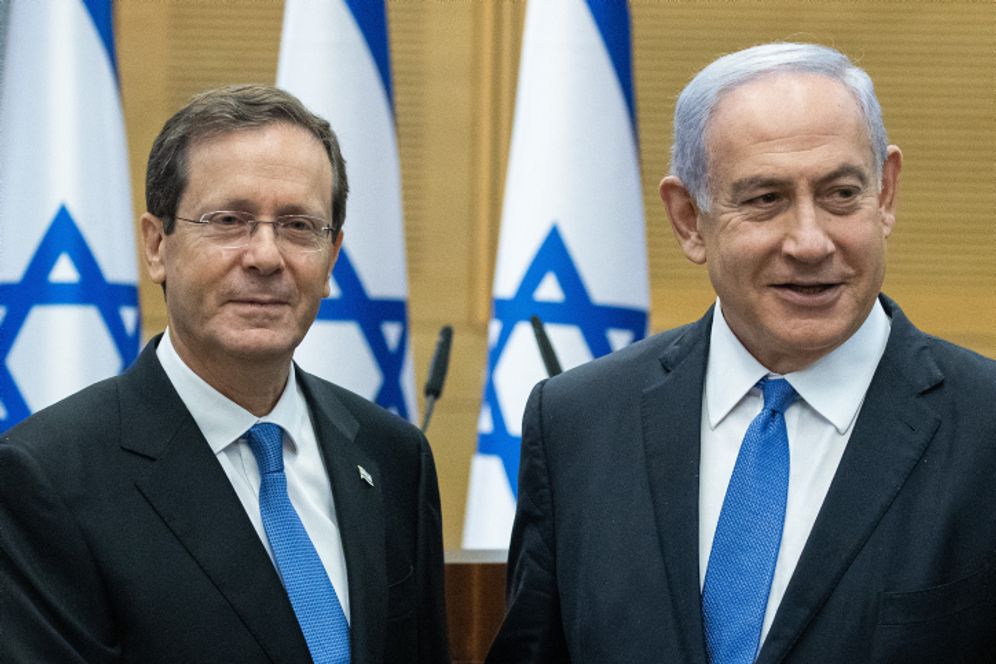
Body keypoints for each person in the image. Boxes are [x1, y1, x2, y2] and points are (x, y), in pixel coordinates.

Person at [486, 42, 996, 663]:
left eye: (841, 194)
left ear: (884, 195)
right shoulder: (578, 423)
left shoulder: (985, 427)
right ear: (687, 220)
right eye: (765, 200)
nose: (810, 242)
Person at [0, 84, 449, 663]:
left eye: (297, 226)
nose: (265, 256)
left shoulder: (392, 456)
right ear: (157, 245)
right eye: (230, 220)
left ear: (332, 258)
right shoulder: (47, 477)